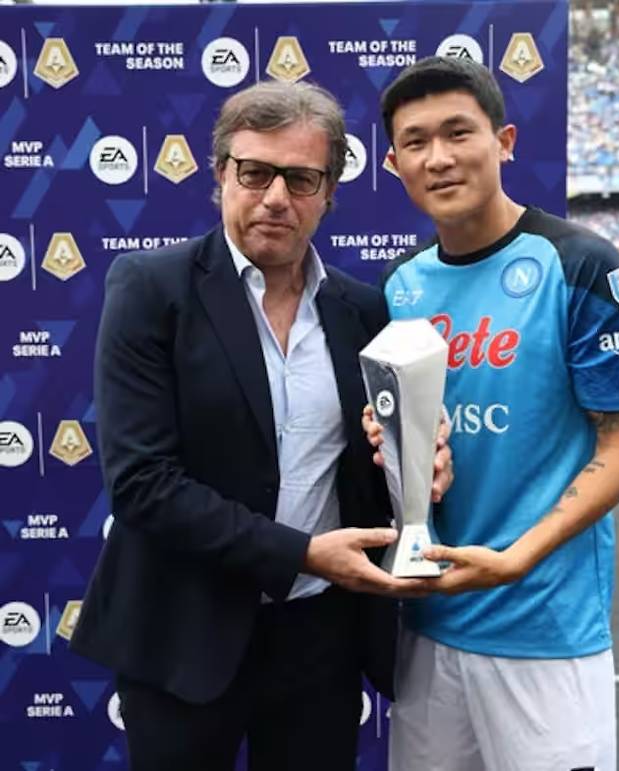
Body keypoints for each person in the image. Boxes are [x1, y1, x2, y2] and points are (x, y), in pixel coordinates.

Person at [70, 80, 452, 771]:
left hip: (320, 639)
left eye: (301, 178)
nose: (276, 197)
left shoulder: (363, 311)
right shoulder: (151, 289)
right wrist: (302, 553)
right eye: (254, 172)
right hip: (183, 635)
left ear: (329, 192)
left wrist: (417, 465)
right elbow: (142, 483)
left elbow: (369, 471)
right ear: (221, 174)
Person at [365, 56, 619, 771]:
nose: (438, 157)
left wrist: (516, 558)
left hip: (544, 629)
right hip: (428, 623)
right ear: (394, 163)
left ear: (505, 141)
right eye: (415, 142)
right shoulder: (400, 284)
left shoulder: (579, 265)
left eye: (458, 132)